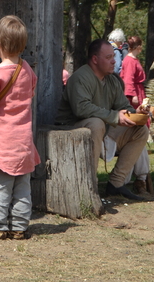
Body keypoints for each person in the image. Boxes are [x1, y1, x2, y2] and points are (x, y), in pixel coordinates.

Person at [56, 39, 149, 201]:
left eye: (113, 56)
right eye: (108, 57)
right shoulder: (81, 77)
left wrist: (136, 112)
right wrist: (114, 116)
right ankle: (89, 185)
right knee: (96, 123)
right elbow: (81, 109)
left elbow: (123, 106)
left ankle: (116, 184)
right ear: (95, 59)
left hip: (101, 130)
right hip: (70, 129)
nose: (114, 60)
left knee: (140, 130)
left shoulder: (112, 80)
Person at [0, 16, 39, 240]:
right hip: (24, 142)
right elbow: (31, 91)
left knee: (1, 187)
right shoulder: (26, 69)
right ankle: (20, 227)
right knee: (22, 187)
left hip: (4, 141)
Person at [119, 36, 151, 195]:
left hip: (137, 93)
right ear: (137, 46)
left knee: (140, 137)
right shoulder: (130, 61)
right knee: (137, 131)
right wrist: (133, 97)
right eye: (141, 45)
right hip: (132, 99)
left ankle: (138, 179)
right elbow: (128, 80)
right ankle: (136, 180)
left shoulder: (131, 59)